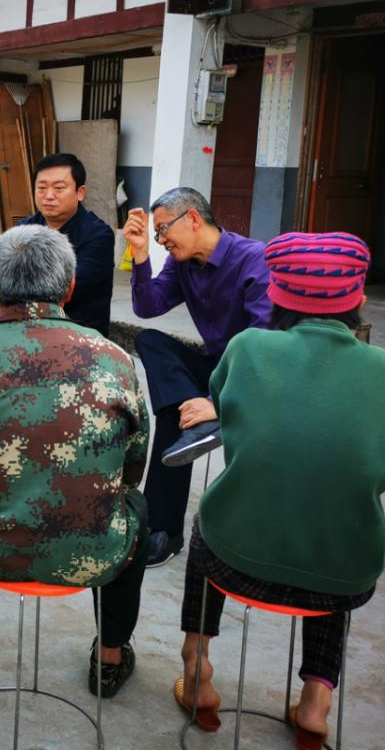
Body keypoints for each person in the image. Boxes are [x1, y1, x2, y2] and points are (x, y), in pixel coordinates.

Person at [173, 232, 385, 749]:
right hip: (342, 581)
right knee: (336, 531)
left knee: (207, 524)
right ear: (359, 298)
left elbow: (225, 406)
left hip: (234, 562)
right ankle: (315, 702)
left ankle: (197, 665)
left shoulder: (248, 347)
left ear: (275, 293)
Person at [0, 225, 150, 699]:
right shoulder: (116, 359)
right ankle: (110, 658)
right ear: (70, 288)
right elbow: (131, 469)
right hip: (94, 551)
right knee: (136, 510)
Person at [121, 187, 270, 567]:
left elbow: (264, 345)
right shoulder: (182, 262)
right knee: (152, 344)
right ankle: (196, 423)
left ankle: (163, 530)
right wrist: (141, 254)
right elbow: (148, 307)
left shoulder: (253, 259)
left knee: (177, 415)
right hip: (215, 365)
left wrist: (219, 402)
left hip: (254, 375)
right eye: (156, 233)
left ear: (191, 218)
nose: (160, 239)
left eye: (162, 229)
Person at [17, 152, 115, 336]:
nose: (49, 196)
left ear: (80, 192)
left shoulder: (98, 235)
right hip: (27, 329)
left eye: (59, 188)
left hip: (78, 335)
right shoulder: (23, 229)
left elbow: (66, 287)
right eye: (41, 188)